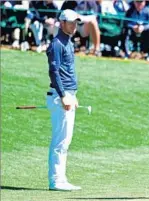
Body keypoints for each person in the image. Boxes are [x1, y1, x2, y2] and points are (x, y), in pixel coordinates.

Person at [46, 9, 81, 191]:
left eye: (76, 22)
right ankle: (55, 181)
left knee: (65, 141)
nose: (74, 25)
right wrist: (64, 95)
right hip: (60, 97)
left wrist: (73, 94)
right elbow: (54, 72)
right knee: (60, 142)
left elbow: (67, 72)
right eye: (71, 22)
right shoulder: (57, 44)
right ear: (62, 23)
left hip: (68, 95)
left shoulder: (68, 41)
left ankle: (61, 178)